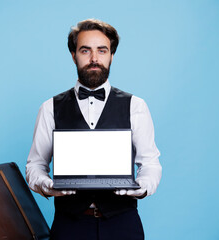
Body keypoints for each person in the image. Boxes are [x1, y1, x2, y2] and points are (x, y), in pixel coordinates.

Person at [26, 19, 162, 240]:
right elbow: (35, 165)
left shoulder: (136, 106)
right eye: (85, 50)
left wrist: (142, 187)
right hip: (69, 225)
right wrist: (48, 185)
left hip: (123, 223)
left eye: (102, 50)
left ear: (111, 55)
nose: (94, 59)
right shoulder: (49, 108)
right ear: (73, 55)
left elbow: (150, 163)